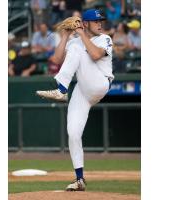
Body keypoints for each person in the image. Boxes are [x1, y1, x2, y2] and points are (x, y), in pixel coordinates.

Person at [36, 9, 114, 191]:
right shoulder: (75, 42)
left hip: (100, 82)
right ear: (86, 23)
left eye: (100, 21)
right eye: (95, 21)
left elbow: (95, 55)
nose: (100, 24)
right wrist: (65, 36)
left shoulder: (105, 39)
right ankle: (79, 179)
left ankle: (62, 89)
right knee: (73, 132)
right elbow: (55, 59)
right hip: (82, 90)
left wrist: (79, 35)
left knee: (78, 49)